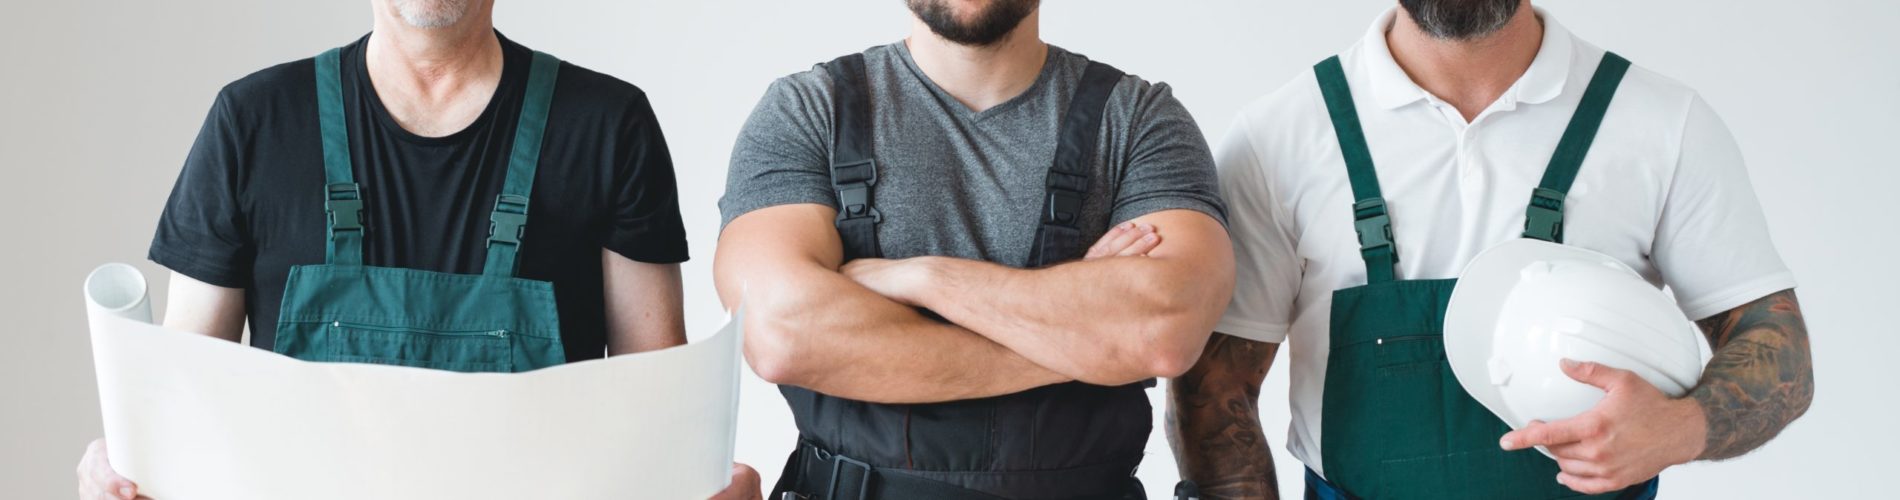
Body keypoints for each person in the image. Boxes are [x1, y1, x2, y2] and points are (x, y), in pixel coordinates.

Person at [74, 1, 759, 498]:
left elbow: (656, 408)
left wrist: (697, 479)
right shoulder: (252, 123)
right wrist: (128, 474)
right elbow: (185, 400)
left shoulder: (609, 128)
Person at [1168, 1, 1813, 498]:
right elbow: (1213, 389)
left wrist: (1680, 428)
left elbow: (1773, 340)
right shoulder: (1280, 134)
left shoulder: (1661, 122)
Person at [715, 0, 1235, 497]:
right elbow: (781, 332)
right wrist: (1090, 344)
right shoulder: (808, 110)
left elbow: (1163, 327)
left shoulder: (1139, 119)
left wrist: (925, 279)